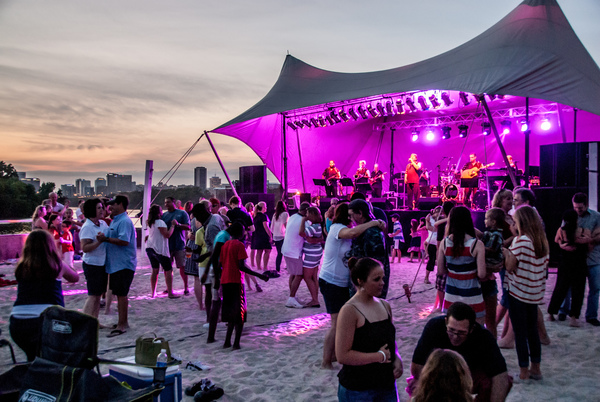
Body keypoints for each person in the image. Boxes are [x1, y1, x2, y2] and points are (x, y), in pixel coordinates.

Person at [319, 203, 386, 369]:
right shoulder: (336, 228)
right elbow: (353, 232)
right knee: (336, 322)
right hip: (330, 280)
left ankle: (334, 354)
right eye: (349, 216)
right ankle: (326, 361)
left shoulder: (353, 231)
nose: (351, 219)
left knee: (343, 320)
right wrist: (374, 222)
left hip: (342, 283)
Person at [409, 302, 510, 402]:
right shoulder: (434, 326)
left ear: (471, 329)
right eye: (451, 330)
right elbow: (417, 365)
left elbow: (500, 374)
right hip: (439, 375)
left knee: (494, 383)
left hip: (468, 377)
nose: (455, 337)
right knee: (415, 384)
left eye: (461, 333)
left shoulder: (483, 336)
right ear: (446, 322)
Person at [336, 257, 403, 401]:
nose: (382, 283)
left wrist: (397, 357)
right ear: (360, 281)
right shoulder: (349, 310)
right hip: (358, 389)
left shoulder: (385, 306)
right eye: (376, 279)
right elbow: (342, 355)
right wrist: (378, 356)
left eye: (383, 278)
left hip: (386, 385)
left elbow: (390, 340)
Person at [9, 230, 79, 361]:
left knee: (33, 357)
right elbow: (75, 277)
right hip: (47, 320)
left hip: (18, 321)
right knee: (50, 358)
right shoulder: (57, 265)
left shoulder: (22, 267)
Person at [504, 205, 549, 380]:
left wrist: (506, 252)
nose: (512, 225)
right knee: (532, 331)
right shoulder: (541, 240)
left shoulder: (521, 241)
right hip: (534, 292)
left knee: (520, 332)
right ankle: (536, 368)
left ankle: (523, 371)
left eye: (514, 222)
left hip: (518, 291)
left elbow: (510, 266)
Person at [220, 223, 269, 349]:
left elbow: (221, 264)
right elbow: (241, 266)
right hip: (236, 281)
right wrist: (259, 276)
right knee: (240, 313)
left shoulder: (225, 245)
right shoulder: (239, 245)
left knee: (230, 313)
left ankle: (227, 341)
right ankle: (236, 343)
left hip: (225, 281)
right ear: (240, 233)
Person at [436, 206, 486, 325]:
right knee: (476, 332)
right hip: (473, 295)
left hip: (451, 296)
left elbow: (440, 271)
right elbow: (482, 274)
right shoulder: (476, 244)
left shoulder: (445, 243)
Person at [98, 195, 137, 337]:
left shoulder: (125, 221)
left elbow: (124, 241)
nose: (110, 207)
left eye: (113, 204)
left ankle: (122, 325)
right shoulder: (115, 220)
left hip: (124, 264)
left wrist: (106, 238)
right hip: (115, 265)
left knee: (122, 294)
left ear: (120, 204)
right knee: (118, 293)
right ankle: (123, 321)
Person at [548, 209, 589, 327]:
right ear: (576, 219)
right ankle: (574, 318)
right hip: (579, 264)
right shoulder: (582, 231)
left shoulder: (561, 231)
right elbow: (588, 243)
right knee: (578, 291)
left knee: (560, 289)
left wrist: (562, 245)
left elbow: (556, 241)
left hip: (565, 264)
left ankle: (551, 314)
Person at [346, 199, 391, 298]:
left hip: (368, 287)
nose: (350, 218)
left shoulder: (371, 232)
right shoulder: (367, 228)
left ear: (360, 213)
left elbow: (375, 264)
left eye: (351, 215)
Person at [571, 192, 600, 326]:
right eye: (575, 208)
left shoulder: (596, 216)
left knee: (595, 288)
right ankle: (565, 312)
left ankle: (591, 315)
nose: (577, 210)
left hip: (593, 258)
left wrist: (591, 240)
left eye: (580, 208)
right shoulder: (570, 216)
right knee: (572, 288)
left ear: (586, 205)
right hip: (577, 258)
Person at [79, 198, 109, 320]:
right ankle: (85, 321)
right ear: (92, 210)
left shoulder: (103, 224)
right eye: (99, 208)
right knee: (92, 295)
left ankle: (95, 320)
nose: (102, 210)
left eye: (102, 207)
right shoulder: (87, 226)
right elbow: (85, 248)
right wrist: (98, 242)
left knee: (98, 295)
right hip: (92, 264)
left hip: (102, 263)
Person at [480, 208, 505, 338]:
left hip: (491, 265)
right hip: (488, 270)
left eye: (486, 218)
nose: (484, 221)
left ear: (493, 222)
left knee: (489, 320)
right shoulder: (489, 233)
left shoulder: (496, 235)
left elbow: (492, 250)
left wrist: (478, 247)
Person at [282, 202, 311, 308]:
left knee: (293, 274)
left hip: (286, 249)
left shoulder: (293, 216)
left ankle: (292, 297)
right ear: (306, 211)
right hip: (294, 251)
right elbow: (307, 235)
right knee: (299, 275)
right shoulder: (304, 221)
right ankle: (291, 298)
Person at [145, 204, 178, 299]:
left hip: (150, 247)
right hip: (160, 249)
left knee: (155, 270)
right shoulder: (160, 222)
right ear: (158, 213)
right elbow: (167, 235)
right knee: (168, 270)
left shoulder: (149, 222)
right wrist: (172, 226)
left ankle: (153, 293)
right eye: (161, 210)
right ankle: (170, 293)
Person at [163, 196, 191, 295]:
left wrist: (178, 224)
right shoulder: (164, 215)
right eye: (165, 203)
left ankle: (186, 287)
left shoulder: (182, 213)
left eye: (168, 202)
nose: (166, 204)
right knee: (167, 268)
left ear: (174, 203)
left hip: (180, 245)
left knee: (182, 267)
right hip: (167, 246)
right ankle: (169, 288)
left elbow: (188, 226)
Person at [299, 206, 323, 308]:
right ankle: (315, 298)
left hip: (312, 254)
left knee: (307, 277)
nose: (306, 215)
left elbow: (301, 233)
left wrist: (302, 221)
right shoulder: (317, 225)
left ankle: (315, 300)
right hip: (316, 252)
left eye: (308, 213)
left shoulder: (314, 227)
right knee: (313, 277)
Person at [251, 203, 272, 271]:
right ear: (263, 207)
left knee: (259, 251)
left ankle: (258, 266)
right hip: (263, 235)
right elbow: (266, 226)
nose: (266, 208)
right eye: (265, 207)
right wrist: (270, 235)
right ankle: (265, 266)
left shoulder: (255, 216)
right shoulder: (264, 216)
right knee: (267, 250)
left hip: (257, 235)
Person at [424, 206, 442, 285]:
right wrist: (427, 221)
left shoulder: (441, 219)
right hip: (432, 241)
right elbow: (429, 228)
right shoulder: (431, 218)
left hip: (438, 241)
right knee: (431, 260)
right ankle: (426, 277)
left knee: (438, 261)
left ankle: (437, 277)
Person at [270, 201, 288, 273]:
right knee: (285, 251)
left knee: (279, 253)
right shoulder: (285, 214)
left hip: (276, 235)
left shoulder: (275, 215)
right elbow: (285, 224)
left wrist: (273, 233)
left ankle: (278, 268)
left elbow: (272, 227)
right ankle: (288, 266)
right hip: (282, 235)